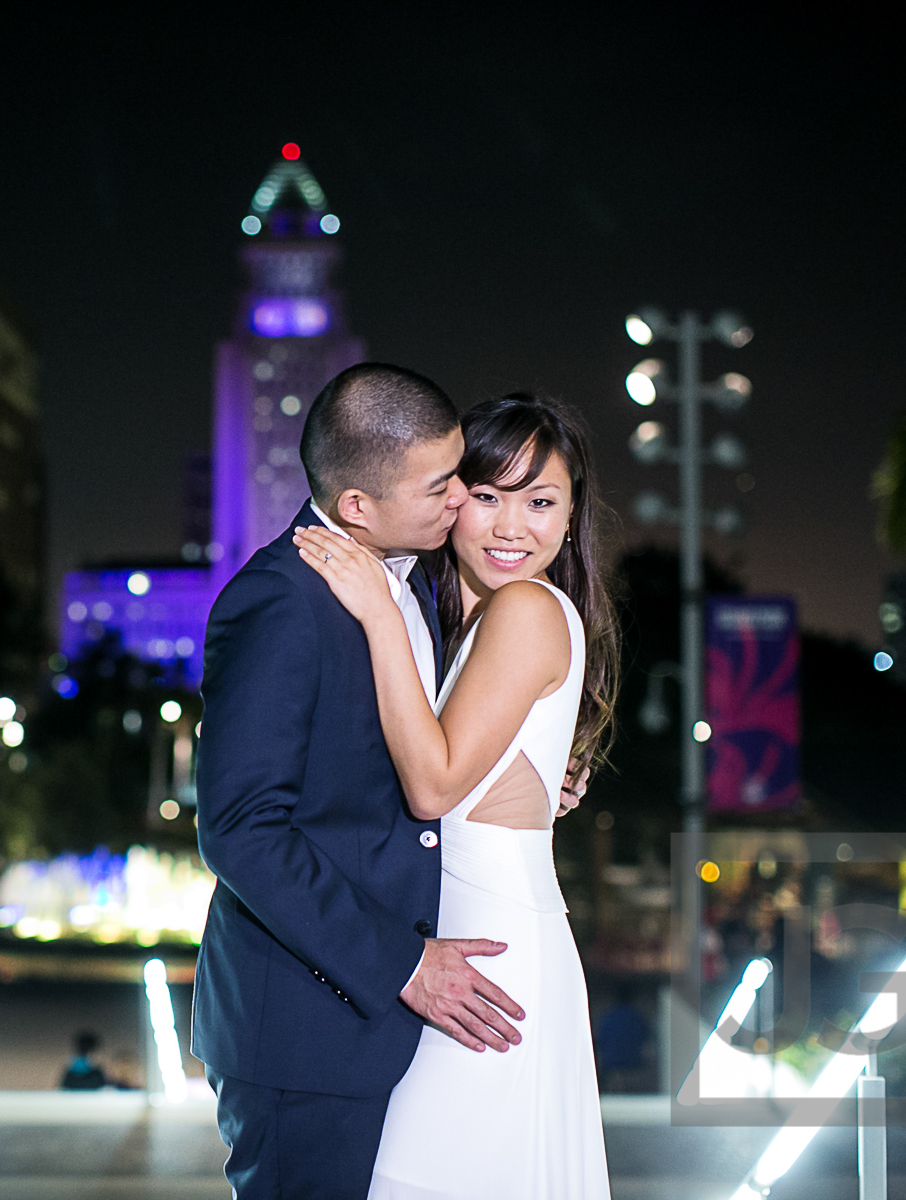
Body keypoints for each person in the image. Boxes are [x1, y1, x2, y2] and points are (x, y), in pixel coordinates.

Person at [194, 366, 585, 1200]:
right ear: (357, 508)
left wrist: (535, 773)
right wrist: (400, 963)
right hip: (309, 1019)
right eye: (449, 487)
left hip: (414, 1005)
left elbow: (433, 753)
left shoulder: (424, 590)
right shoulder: (284, 601)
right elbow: (240, 831)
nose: (462, 505)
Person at [294, 392, 618, 1199]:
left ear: (573, 517)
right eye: (487, 495)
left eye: (541, 502)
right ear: (449, 499)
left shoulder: (526, 609)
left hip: (487, 959)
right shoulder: (464, 624)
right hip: (456, 951)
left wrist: (373, 613)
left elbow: (433, 784)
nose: (513, 527)